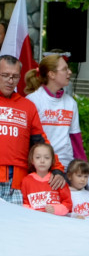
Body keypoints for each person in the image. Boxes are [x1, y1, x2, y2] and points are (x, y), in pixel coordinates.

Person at [0, 54, 64, 204]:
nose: (10, 81)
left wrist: (57, 169)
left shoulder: (27, 106)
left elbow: (40, 141)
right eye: (5, 75)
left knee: (16, 226)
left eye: (15, 76)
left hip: (17, 182)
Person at [25, 53, 87, 167]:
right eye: (64, 69)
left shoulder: (71, 103)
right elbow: (26, 140)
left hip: (66, 167)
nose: (69, 72)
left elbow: (75, 139)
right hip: (41, 166)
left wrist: (83, 167)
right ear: (52, 74)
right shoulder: (32, 101)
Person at [21, 142, 72, 216]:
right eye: (38, 157)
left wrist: (55, 209)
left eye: (47, 158)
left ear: (52, 161)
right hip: (34, 221)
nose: (42, 161)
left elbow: (68, 203)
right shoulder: (26, 181)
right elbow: (24, 203)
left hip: (55, 221)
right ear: (32, 160)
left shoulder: (58, 180)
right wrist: (33, 213)